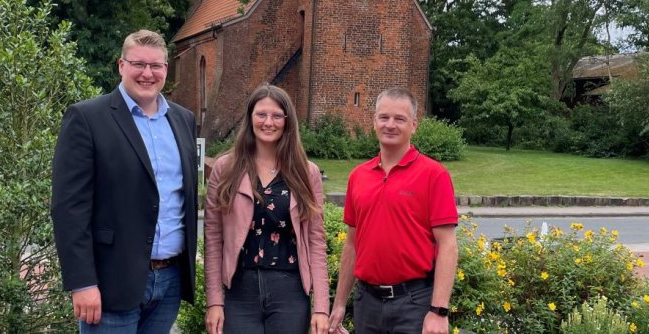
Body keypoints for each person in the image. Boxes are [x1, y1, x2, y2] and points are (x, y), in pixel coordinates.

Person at [51, 29, 198, 333]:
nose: (147, 73)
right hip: (110, 283)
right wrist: (82, 283)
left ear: (166, 70)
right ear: (121, 66)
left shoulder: (184, 120)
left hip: (169, 281)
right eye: (138, 64)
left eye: (156, 66)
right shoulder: (88, 118)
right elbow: (69, 209)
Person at [328, 88, 458, 334]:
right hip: (367, 303)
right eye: (384, 117)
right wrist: (340, 304)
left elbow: (448, 245)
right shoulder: (358, 176)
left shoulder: (434, 175)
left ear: (414, 125)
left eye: (399, 119)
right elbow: (352, 245)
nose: (390, 125)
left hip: (413, 303)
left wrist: (439, 311)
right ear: (374, 121)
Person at [204, 85, 329, 334]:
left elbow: (316, 240)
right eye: (261, 114)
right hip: (240, 290)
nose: (268, 122)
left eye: (276, 116)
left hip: (290, 291)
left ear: (287, 121)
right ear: (250, 118)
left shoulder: (306, 172)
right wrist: (215, 301)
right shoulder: (226, 168)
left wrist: (321, 308)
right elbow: (213, 239)